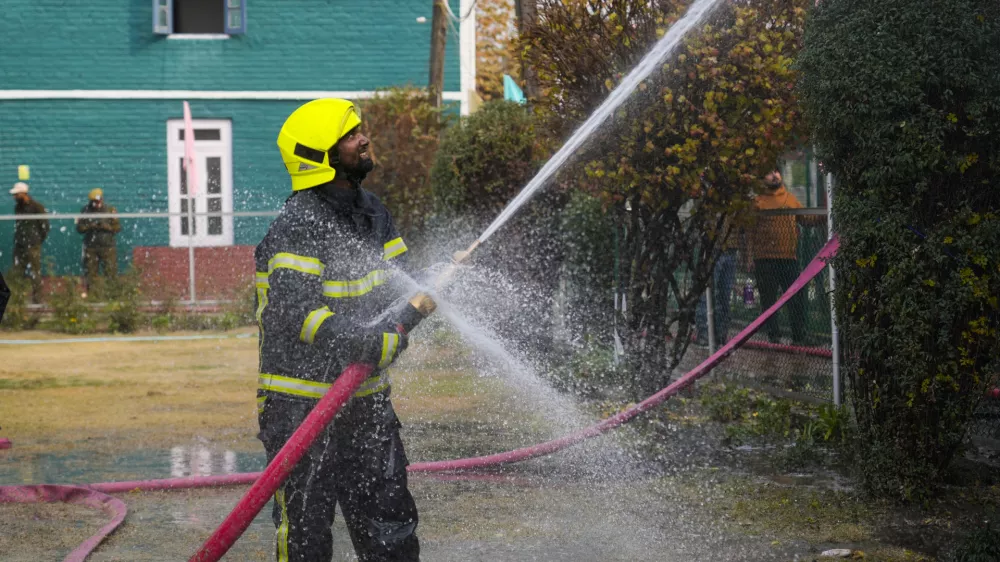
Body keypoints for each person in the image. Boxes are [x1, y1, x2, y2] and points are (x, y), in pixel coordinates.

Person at [255, 98, 436, 562]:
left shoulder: (372, 212)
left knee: (390, 527)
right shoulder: (299, 223)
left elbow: (402, 284)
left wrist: (421, 299)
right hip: (301, 405)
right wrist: (368, 341)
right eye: (351, 134)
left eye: (360, 130)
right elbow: (297, 313)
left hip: (366, 400)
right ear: (320, 156)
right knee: (306, 536)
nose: (364, 138)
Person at [746, 170, 823, 345]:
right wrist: (750, 257)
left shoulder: (789, 198)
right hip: (764, 259)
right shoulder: (758, 202)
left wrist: (824, 215)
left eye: (776, 172)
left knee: (796, 298)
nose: (773, 175)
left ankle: (799, 336)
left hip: (789, 258)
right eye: (768, 173)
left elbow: (806, 219)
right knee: (769, 301)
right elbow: (750, 232)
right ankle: (774, 336)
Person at [695, 220, 739, 347]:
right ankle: (704, 334)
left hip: (730, 249)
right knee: (707, 294)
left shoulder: (736, 207)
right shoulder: (714, 204)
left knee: (724, 295)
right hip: (713, 248)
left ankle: (720, 334)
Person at [76, 188, 121, 298]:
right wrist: (90, 226)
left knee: (110, 272)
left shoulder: (110, 210)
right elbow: (79, 228)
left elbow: (117, 228)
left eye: (98, 201)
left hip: (107, 247)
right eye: (94, 202)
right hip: (91, 247)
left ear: (102, 199)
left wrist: (106, 227)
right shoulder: (85, 211)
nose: (96, 204)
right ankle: (93, 296)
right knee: (91, 273)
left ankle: (112, 296)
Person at [9, 182, 49, 303]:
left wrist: (36, 240)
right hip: (20, 244)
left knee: (35, 272)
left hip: (32, 244)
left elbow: (45, 226)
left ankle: (37, 300)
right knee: (17, 271)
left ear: (23, 193)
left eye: (16, 194)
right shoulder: (18, 207)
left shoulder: (37, 207)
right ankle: (18, 298)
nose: (14, 197)